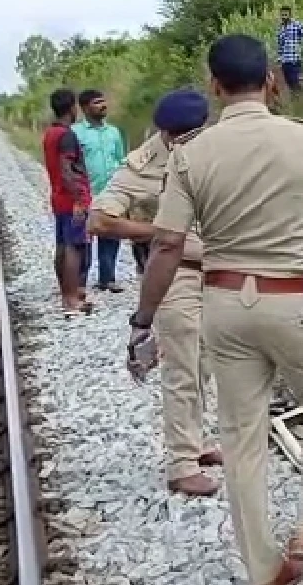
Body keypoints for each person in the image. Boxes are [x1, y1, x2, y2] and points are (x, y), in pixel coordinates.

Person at [127, 33, 303, 585]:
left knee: (241, 436)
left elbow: (165, 244)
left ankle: (264, 569)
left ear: (214, 86)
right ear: (272, 82)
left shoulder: (190, 154)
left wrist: (142, 319)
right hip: (293, 304)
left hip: (224, 305)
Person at [87, 89, 222, 497]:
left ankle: (195, 444)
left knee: (204, 363)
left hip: (221, 272)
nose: (181, 141)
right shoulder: (146, 162)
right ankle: (182, 466)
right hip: (175, 272)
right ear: (163, 131)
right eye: (174, 134)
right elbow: (98, 220)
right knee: (182, 362)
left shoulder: (221, 148)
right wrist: (164, 233)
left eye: (190, 133)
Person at [43, 88, 93, 316]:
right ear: (72, 108)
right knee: (75, 247)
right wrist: (80, 200)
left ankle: (65, 292)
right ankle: (71, 299)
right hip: (71, 199)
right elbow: (67, 170)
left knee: (63, 245)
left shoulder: (50, 133)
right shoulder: (67, 135)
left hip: (58, 197)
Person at [73, 89, 126, 293]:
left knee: (111, 236)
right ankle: (79, 282)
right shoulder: (76, 133)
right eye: (97, 102)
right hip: (87, 194)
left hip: (112, 193)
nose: (103, 105)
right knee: (84, 238)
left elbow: (121, 159)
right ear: (85, 108)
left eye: (104, 101)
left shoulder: (114, 132)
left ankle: (108, 278)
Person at [277, 5, 303, 95]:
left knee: (295, 81)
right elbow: (280, 45)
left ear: (290, 15)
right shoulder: (281, 28)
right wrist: (279, 59)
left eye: (286, 15)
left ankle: (300, 99)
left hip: (295, 59)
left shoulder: (297, 25)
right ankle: (297, 102)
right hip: (285, 61)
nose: (284, 17)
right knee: (289, 83)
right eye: (282, 15)